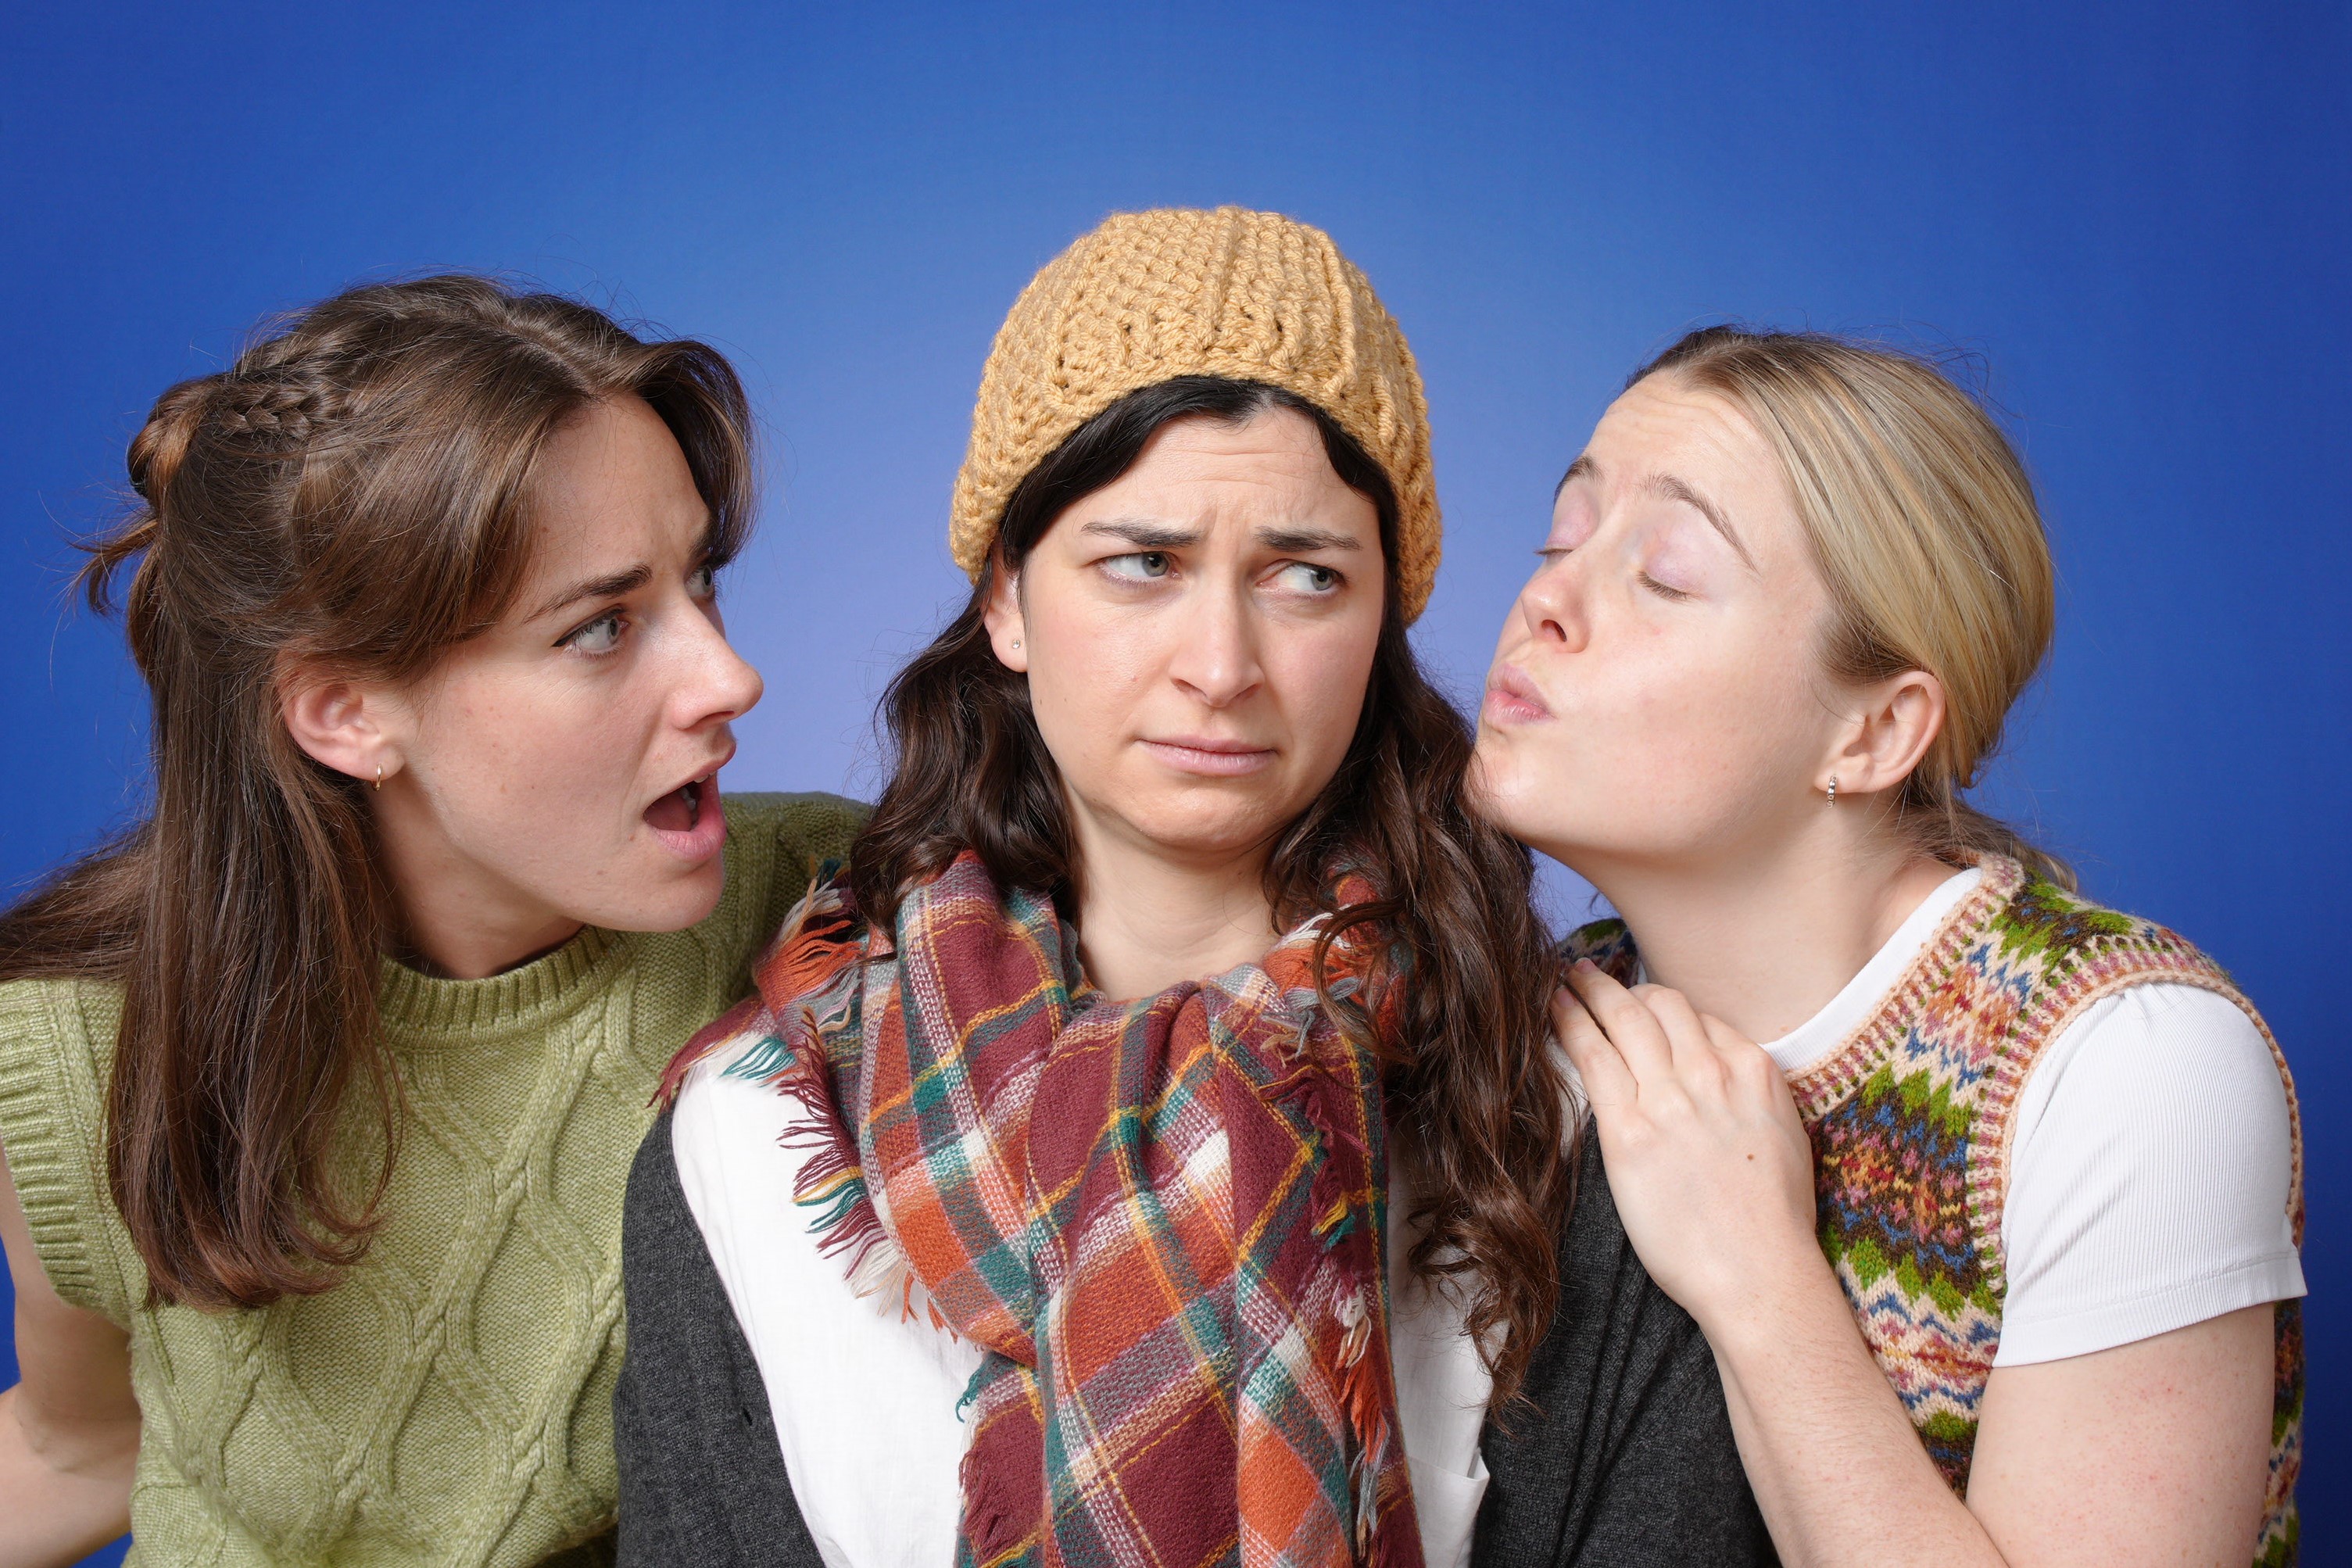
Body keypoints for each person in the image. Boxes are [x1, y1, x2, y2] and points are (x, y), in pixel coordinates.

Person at [615, 208, 1769, 1568]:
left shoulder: (1582, 1107)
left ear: (1381, 617)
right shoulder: (756, 1139)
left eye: (1302, 576)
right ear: (1005, 603)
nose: (1219, 663)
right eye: (1143, 564)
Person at [0, 276, 863, 1566]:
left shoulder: (835, 917)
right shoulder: (79, 1049)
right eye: (601, 627)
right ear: (346, 711)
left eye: (702, 583)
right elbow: (77, 1445)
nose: (730, 675)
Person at [1470, 326, 2303, 1566]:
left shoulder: (2122, 1065)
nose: (1544, 598)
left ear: (1871, 733)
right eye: (1561, 536)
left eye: (1664, 572)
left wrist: (1754, 1267)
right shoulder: (1541, 1029)